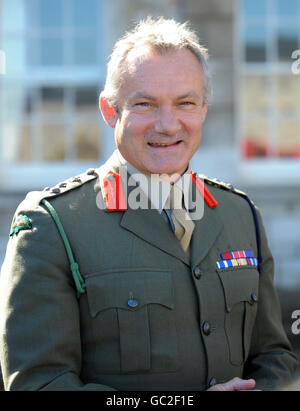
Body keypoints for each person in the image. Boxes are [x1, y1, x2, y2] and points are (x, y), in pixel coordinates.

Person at [0, 17, 298, 391]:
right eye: (145, 104)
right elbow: (40, 383)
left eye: (185, 103)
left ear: (204, 108)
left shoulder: (241, 214)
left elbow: (274, 356)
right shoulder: (52, 225)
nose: (168, 124)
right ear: (111, 112)